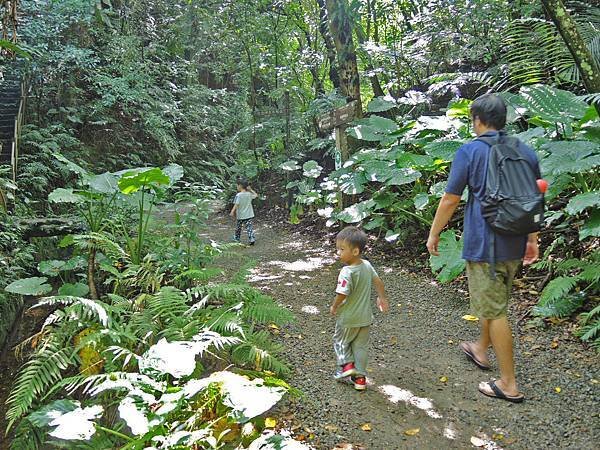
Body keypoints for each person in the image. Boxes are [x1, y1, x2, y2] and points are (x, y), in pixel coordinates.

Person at [426, 94, 540, 403]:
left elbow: (450, 198)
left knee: (495, 309)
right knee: (495, 302)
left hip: (484, 245)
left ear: (477, 120)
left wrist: (434, 233)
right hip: (516, 241)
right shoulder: (524, 151)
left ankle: (508, 383)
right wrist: (532, 239)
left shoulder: (470, 151)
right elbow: (534, 196)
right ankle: (480, 348)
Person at [331, 226, 389, 390]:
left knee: (340, 341)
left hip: (349, 318)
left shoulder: (346, 271)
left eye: (342, 249)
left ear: (355, 251)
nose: (338, 253)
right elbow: (378, 281)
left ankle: (347, 367)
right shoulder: (367, 265)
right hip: (365, 318)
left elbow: (342, 294)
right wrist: (382, 297)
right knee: (360, 347)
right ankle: (360, 379)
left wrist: (334, 306)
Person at [230, 178, 258, 245]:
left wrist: (232, 211)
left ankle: (237, 238)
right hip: (249, 214)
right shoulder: (249, 194)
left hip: (240, 215)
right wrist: (251, 189)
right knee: (249, 227)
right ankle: (251, 238)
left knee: (238, 228)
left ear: (240, 186)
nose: (237, 187)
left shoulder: (238, 195)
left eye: (237, 185)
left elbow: (236, 204)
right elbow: (256, 195)